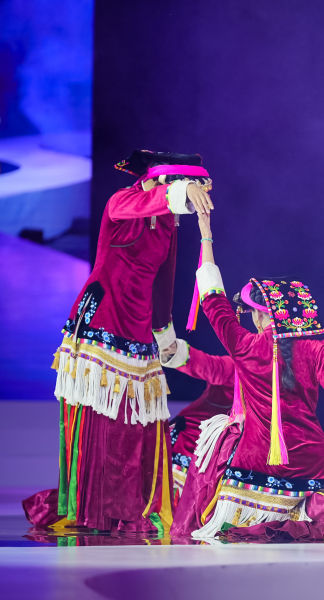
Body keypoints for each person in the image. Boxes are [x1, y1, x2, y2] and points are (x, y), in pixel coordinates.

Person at [170, 212, 324, 541]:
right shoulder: (315, 350)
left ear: (261, 316)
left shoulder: (245, 346)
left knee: (219, 438)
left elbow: (213, 301)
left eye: (253, 314)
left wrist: (206, 235)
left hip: (256, 467)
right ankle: (304, 510)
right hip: (308, 467)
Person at [23, 150, 213, 533]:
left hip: (139, 328)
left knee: (136, 426)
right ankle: (92, 508)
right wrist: (180, 190)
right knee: (101, 421)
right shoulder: (122, 201)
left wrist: (165, 333)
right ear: (164, 181)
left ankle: (127, 506)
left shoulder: (168, 221)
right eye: (183, 185)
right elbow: (137, 205)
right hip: (103, 319)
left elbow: (164, 280)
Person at [159, 338, 233, 504]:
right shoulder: (240, 367)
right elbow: (210, 366)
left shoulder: (284, 383)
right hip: (191, 444)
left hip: (226, 457)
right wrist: (177, 351)